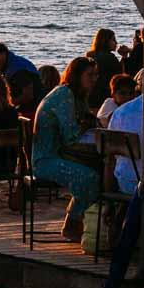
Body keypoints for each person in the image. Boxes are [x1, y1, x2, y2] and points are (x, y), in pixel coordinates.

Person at [31, 56, 101, 243]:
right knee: (91, 177)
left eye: (96, 75)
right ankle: (72, 224)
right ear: (77, 76)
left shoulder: (76, 96)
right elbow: (71, 137)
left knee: (99, 170)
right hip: (45, 161)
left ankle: (82, 222)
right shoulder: (64, 95)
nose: (94, 79)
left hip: (60, 154)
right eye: (90, 75)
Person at [88, 29, 123, 110]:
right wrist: (124, 57)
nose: (116, 43)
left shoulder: (91, 56)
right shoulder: (110, 58)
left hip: (91, 96)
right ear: (105, 41)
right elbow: (119, 76)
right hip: (104, 97)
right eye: (113, 40)